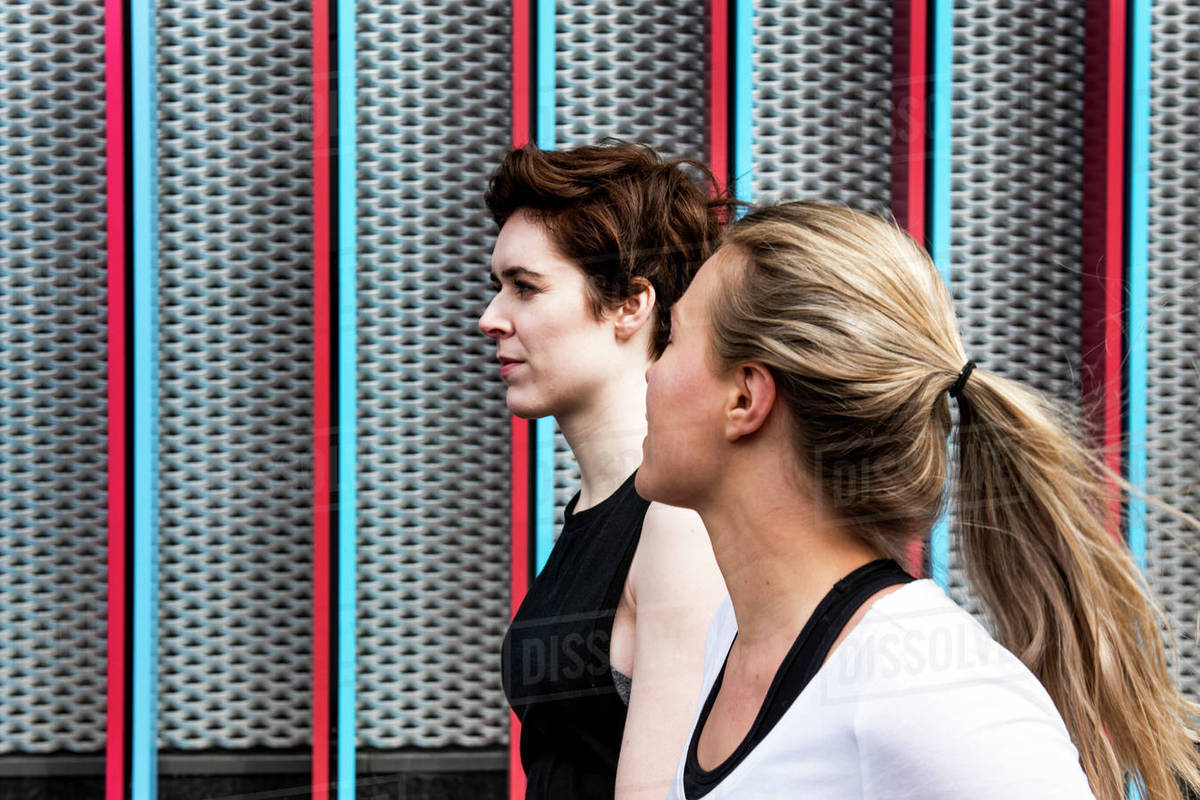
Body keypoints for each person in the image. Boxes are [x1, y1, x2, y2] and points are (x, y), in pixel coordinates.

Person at [636, 200, 1200, 800]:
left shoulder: (927, 689)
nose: (649, 372)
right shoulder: (733, 633)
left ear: (746, 398)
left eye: (670, 338)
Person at [480, 141, 734, 800]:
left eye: (526, 288)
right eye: (496, 287)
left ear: (631, 304)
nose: (490, 320)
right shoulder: (595, 514)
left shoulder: (676, 525)